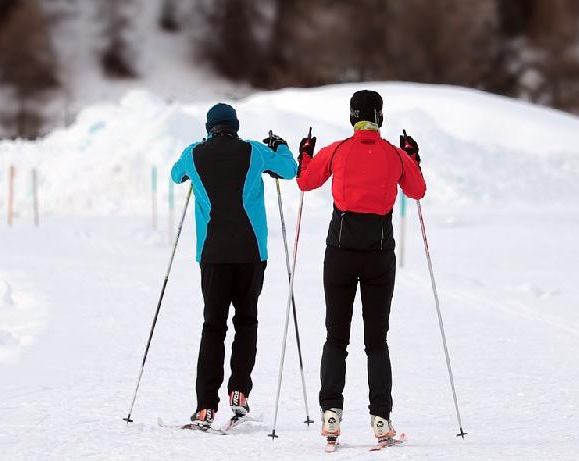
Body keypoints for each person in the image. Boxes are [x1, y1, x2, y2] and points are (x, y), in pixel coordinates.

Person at [295, 90, 425, 446]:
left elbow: (305, 181)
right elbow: (417, 190)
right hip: (379, 254)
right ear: (380, 117)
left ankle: (331, 415)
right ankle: (381, 420)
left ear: (353, 117)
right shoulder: (395, 155)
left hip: (339, 252)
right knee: (376, 341)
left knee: (336, 336)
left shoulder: (336, 150)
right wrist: (413, 156)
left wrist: (305, 153)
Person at [170, 103, 298, 430]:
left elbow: (175, 175)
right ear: (236, 126)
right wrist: (280, 144)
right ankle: (239, 392)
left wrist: (194, 146)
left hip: (212, 254)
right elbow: (289, 169)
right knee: (246, 321)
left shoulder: (195, 154)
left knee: (213, 326)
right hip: (251, 253)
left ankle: (204, 407)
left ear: (209, 127)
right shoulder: (254, 151)